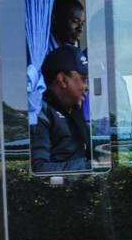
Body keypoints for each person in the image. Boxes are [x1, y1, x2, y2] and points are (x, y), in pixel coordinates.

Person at [31, 44, 91, 173]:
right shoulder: (41, 113)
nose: (87, 87)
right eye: (83, 80)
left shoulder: (73, 109)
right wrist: (89, 167)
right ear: (62, 80)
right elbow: (39, 169)